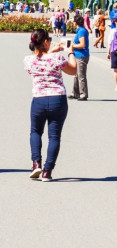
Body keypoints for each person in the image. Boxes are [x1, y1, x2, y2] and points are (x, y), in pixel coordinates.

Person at [24, 29, 77, 181]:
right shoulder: (57, 58)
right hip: (57, 100)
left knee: (35, 132)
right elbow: (73, 70)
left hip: (38, 100)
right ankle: (47, 171)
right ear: (46, 42)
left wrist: (50, 50)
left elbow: (40, 58)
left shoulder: (28, 60)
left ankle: (36, 164)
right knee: (54, 137)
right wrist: (70, 52)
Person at [69, 14, 90, 101]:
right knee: (76, 75)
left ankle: (83, 94)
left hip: (82, 55)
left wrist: (73, 46)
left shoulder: (81, 31)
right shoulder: (80, 30)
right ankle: (76, 93)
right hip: (78, 55)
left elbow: (82, 44)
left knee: (81, 75)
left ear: (76, 22)